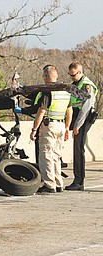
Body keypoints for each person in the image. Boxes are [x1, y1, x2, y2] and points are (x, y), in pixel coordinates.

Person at [29, 65, 72, 193]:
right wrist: (66, 127)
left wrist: (34, 129)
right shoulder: (65, 91)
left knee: (46, 155)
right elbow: (69, 112)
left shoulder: (48, 91)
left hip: (49, 126)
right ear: (57, 76)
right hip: (61, 125)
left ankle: (49, 184)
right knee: (56, 156)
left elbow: (41, 111)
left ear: (47, 77)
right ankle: (58, 183)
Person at [65, 61, 98, 191]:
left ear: (80, 71)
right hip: (77, 116)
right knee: (77, 149)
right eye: (70, 75)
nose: (71, 77)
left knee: (78, 149)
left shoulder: (87, 86)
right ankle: (78, 180)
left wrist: (77, 126)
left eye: (73, 75)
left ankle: (79, 181)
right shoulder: (75, 84)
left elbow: (85, 108)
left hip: (84, 118)